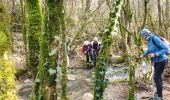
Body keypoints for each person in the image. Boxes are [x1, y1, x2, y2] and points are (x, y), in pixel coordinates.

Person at [138, 29, 168, 100]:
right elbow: (149, 50)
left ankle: (159, 97)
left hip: (162, 61)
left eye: (142, 36)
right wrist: (142, 56)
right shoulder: (149, 40)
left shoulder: (155, 38)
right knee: (157, 78)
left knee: (156, 78)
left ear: (145, 35)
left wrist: (155, 54)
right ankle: (157, 94)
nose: (142, 38)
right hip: (157, 61)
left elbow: (165, 48)